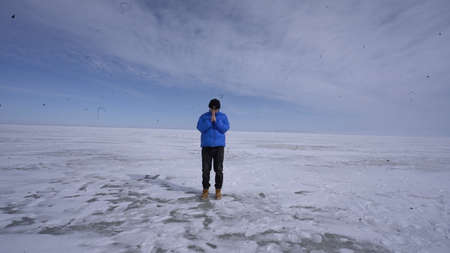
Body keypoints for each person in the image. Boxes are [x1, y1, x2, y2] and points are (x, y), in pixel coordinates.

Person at [196, 98, 230, 200]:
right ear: (209, 108)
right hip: (206, 147)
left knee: (218, 170)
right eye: (212, 109)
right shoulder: (204, 116)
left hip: (219, 147)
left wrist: (216, 122)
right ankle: (205, 190)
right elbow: (200, 128)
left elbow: (225, 129)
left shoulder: (223, 116)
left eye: (216, 109)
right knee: (206, 170)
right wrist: (210, 122)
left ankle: (218, 191)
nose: (214, 111)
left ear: (219, 108)